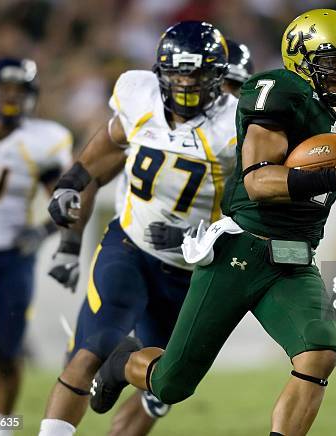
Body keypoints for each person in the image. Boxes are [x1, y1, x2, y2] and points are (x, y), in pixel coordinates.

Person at [91, 9, 336, 436]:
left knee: (319, 353)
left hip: (295, 257)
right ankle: (123, 359)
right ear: (300, 61)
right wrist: (332, 177)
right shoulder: (276, 93)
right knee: (172, 384)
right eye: (335, 61)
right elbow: (258, 182)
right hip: (241, 250)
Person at [39, 21, 238, 436]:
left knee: (164, 386)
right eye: (178, 74)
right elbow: (107, 148)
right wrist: (72, 183)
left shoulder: (236, 127)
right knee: (89, 350)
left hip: (193, 274)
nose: (185, 84)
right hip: (129, 245)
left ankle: (119, 361)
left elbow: (256, 213)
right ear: (160, 71)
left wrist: (196, 239)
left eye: (196, 75)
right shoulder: (138, 94)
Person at [0, 57, 72, 435]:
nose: (11, 98)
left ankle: (0, 428)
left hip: (13, 254)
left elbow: (64, 202)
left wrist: (41, 233)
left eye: (19, 91)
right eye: (4, 90)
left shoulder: (45, 139)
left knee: (11, 349)